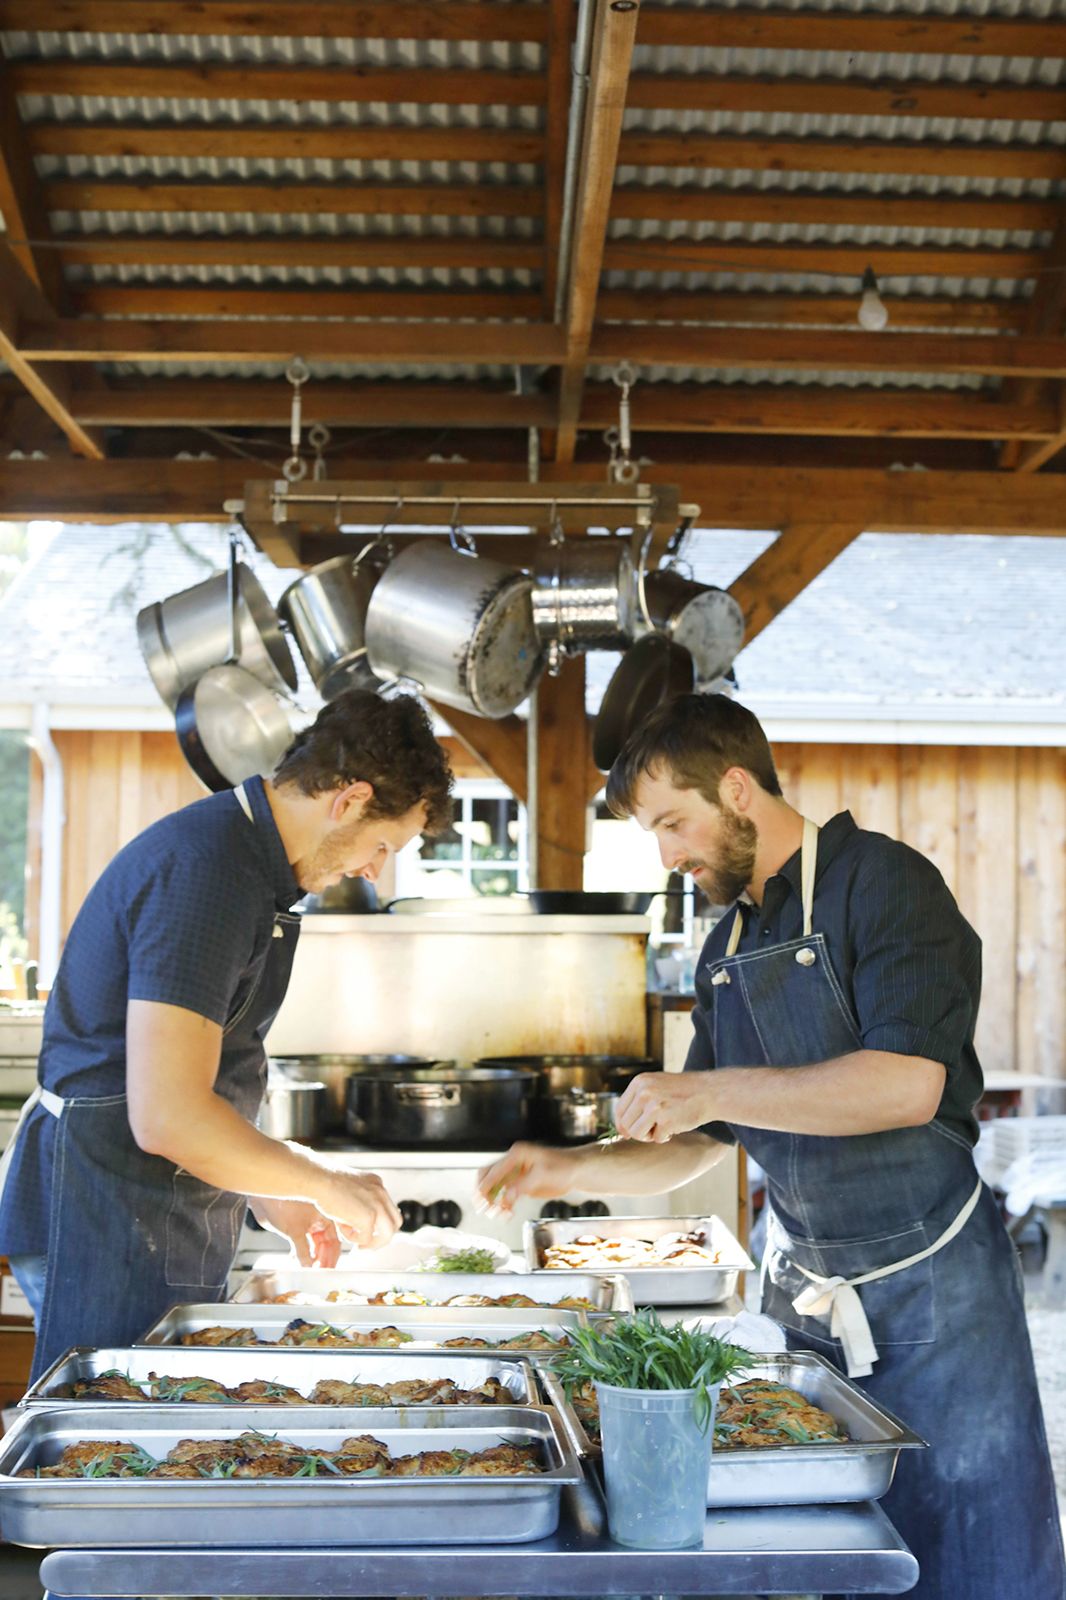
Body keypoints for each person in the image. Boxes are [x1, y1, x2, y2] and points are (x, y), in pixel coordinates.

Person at [479, 693, 1065, 1600]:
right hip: (809, 1298)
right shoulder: (728, 944)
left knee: (973, 1538)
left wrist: (704, 1088)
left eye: (675, 823)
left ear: (739, 788)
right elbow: (703, 1136)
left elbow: (905, 1085)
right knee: (834, 1545)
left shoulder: (886, 883)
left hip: (936, 1291)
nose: (668, 856)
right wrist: (570, 1170)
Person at [0, 690, 454, 1381]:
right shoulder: (208, 875)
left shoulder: (255, 870)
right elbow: (170, 1115)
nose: (373, 869)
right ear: (350, 799)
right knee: (110, 1455)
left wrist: (274, 1192)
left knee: (155, 1447)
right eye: (383, 845)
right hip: (109, 1205)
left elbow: (201, 1079)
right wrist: (323, 1182)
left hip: (148, 1203)